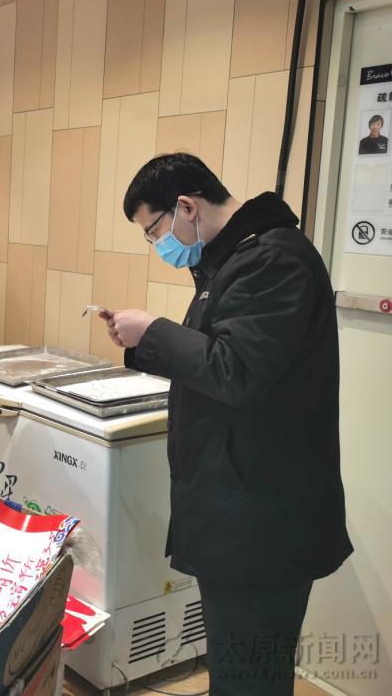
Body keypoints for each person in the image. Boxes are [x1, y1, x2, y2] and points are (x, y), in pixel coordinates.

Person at [99, 153, 352, 695]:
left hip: (262, 521)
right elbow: (222, 356)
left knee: (248, 676)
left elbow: (236, 371)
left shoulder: (272, 260)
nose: (158, 245)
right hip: (243, 510)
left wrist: (154, 330)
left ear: (186, 207)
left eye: (154, 231)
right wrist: (143, 340)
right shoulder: (234, 260)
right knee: (242, 670)